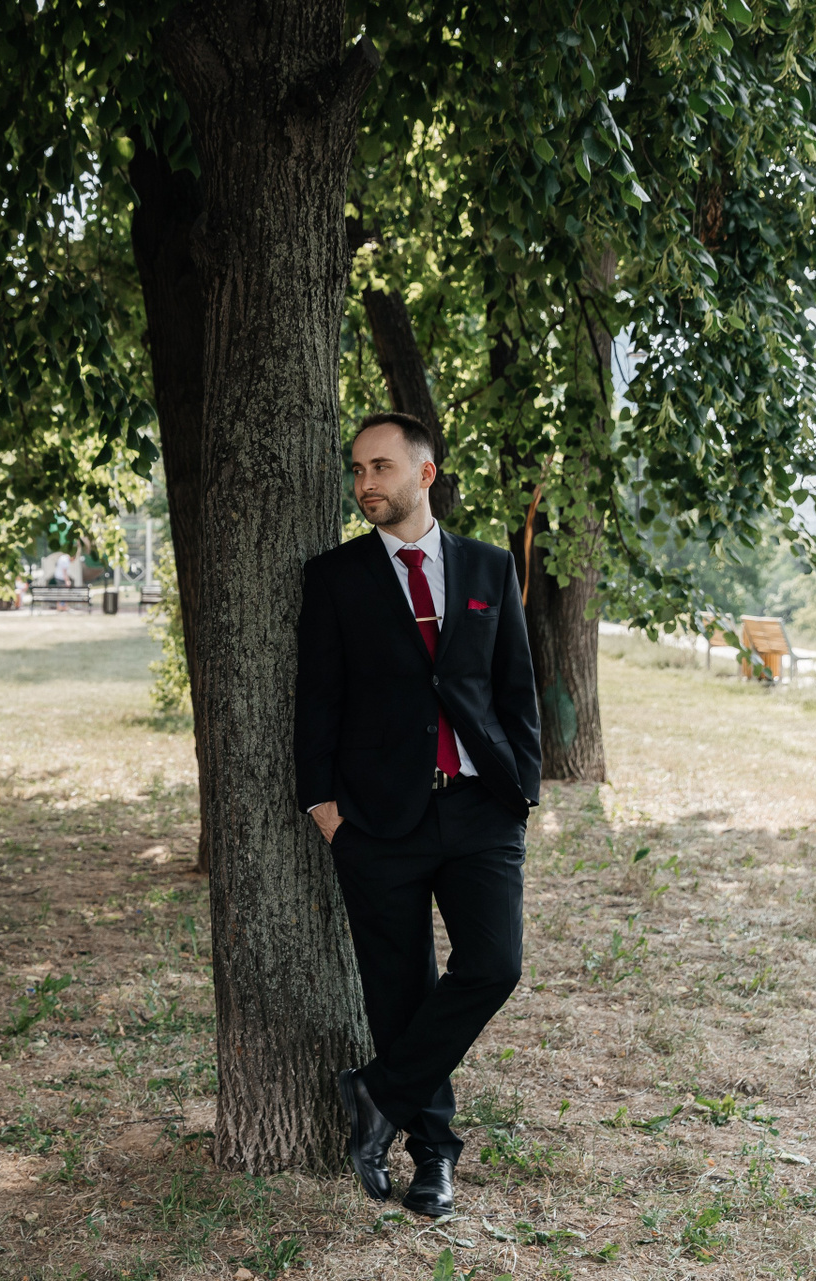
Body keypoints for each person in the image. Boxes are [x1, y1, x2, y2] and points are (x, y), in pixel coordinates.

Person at [294, 411, 541, 1217]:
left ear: (425, 474)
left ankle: (378, 1093)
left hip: (479, 808)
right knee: (399, 991)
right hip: (376, 821)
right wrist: (326, 813)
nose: (365, 482)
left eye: (381, 466)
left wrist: (522, 793)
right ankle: (433, 1154)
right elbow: (316, 701)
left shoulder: (489, 566)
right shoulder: (335, 577)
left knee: (494, 964)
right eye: (358, 468)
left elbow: (516, 689)